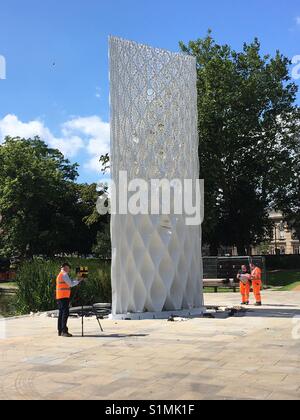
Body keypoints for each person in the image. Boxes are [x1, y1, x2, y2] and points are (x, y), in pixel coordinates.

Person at [56, 263, 82, 337]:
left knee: (61, 314)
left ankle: (60, 331)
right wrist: (78, 281)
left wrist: (76, 281)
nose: (69, 270)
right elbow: (70, 284)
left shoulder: (60, 275)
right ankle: (64, 331)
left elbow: (69, 283)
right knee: (65, 314)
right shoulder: (64, 274)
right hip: (63, 297)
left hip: (60, 296)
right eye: (69, 268)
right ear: (65, 267)